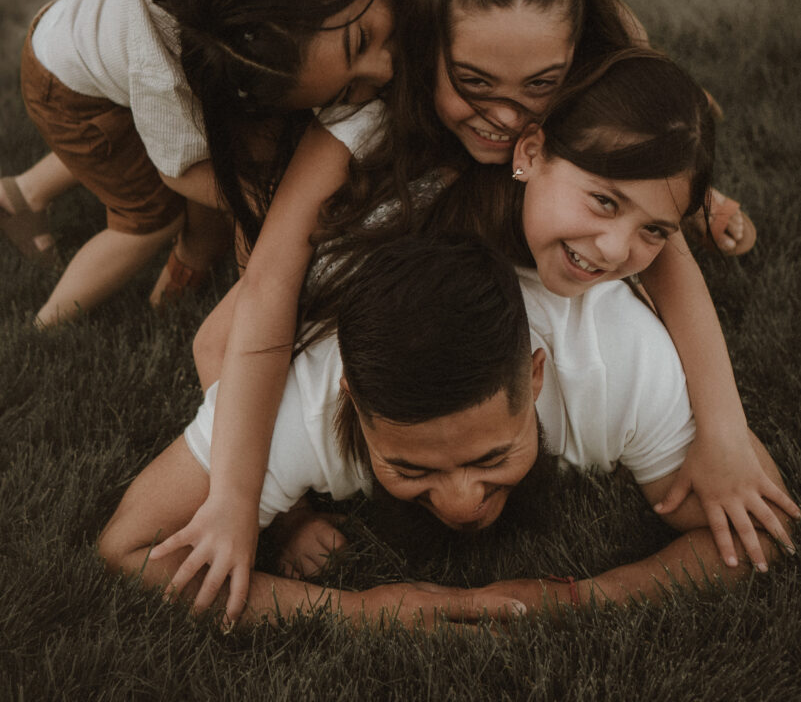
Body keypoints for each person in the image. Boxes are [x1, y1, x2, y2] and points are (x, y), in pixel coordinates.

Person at [177, 0, 767, 622]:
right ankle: (283, 501)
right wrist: (242, 504)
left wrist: (724, 432)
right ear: (427, 55)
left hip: (486, 229)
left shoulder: (581, 94)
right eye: (474, 82)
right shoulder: (367, 125)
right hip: (372, 229)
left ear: (572, 67)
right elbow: (268, 284)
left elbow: (664, 244)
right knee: (219, 344)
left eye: (540, 86)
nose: (504, 114)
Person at [97, 233, 795, 629]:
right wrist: (366, 610)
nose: (462, 502)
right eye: (413, 469)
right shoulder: (295, 401)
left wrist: (590, 595)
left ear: (535, 378)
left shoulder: (617, 358)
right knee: (218, 346)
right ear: (352, 401)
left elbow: (757, 531)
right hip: (342, 237)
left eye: (492, 456)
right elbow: (131, 548)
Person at [1, 0, 512, 321]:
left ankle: (21, 194)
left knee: (125, 137)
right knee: (148, 215)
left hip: (73, 30)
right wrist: (271, 204)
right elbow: (178, 167)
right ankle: (52, 321)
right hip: (65, 86)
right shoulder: (167, 56)